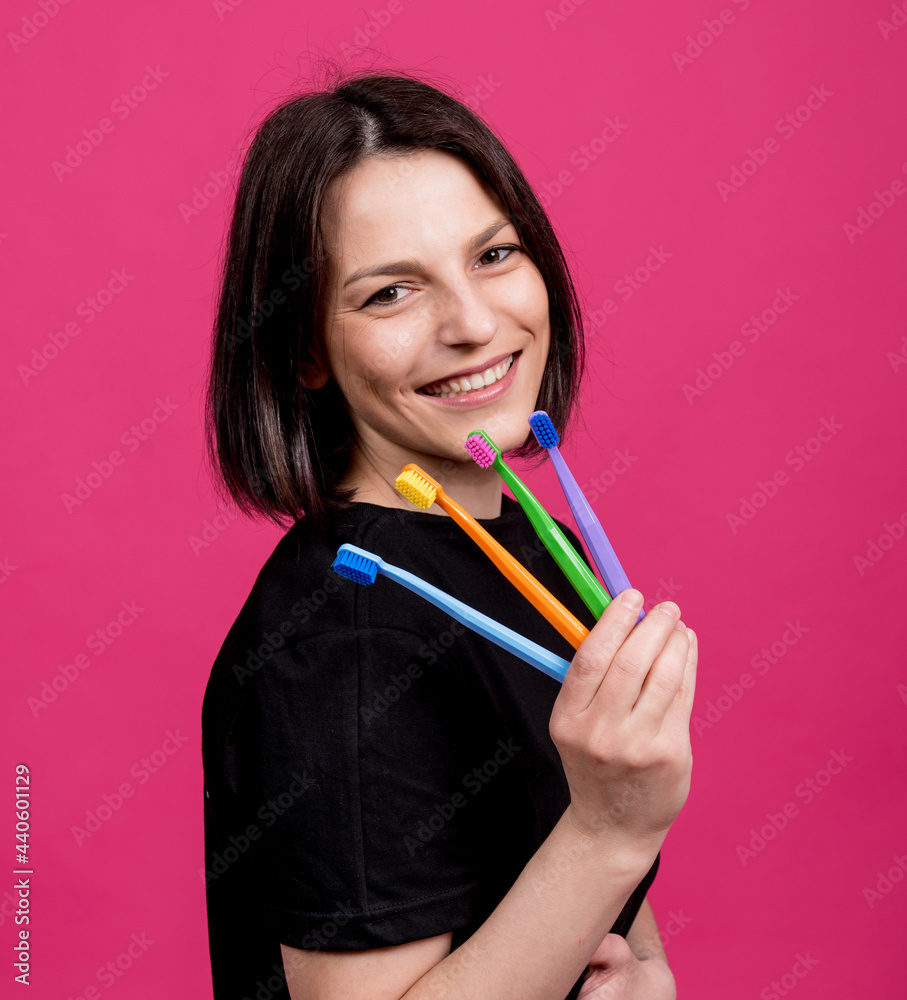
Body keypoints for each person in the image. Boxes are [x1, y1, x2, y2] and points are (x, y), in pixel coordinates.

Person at [201, 70, 696, 1000]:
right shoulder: (344, 644)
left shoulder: (532, 543)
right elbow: (600, 834)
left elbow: (608, 921)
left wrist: (652, 979)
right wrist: (610, 829)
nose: (474, 325)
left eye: (495, 255)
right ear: (304, 349)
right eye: (391, 293)